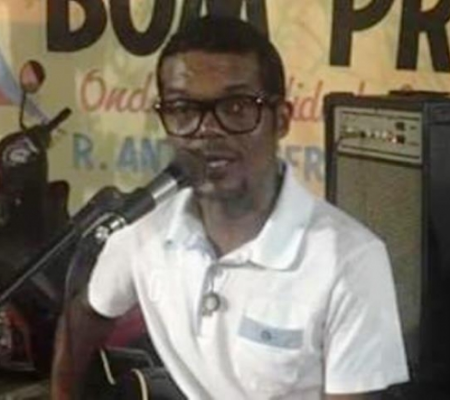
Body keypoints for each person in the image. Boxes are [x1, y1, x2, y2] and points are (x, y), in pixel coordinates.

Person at [51, 16, 409, 400]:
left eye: (237, 107)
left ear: (281, 120)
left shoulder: (349, 260)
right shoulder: (144, 232)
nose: (208, 129)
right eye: (183, 108)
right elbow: (85, 315)